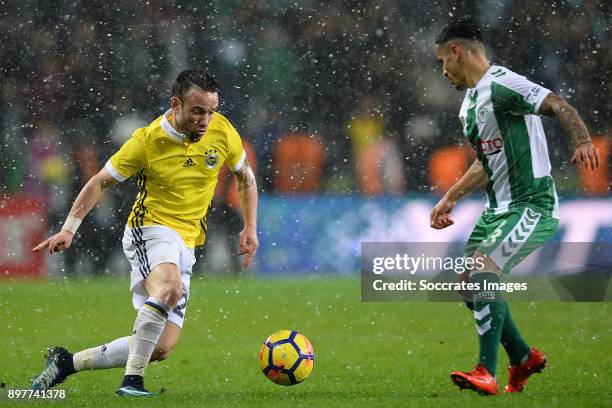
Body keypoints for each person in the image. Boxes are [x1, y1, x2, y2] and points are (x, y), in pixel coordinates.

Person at [30, 69, 259, 397]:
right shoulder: (147, 141)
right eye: (197, 111)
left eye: (211, 111)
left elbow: (245, 177)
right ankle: (132, 382)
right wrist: (69, 229)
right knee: (170, 288)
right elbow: (99, 181)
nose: (205, 120)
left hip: (187, 240)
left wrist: (249, 226)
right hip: (150, 229)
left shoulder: (223, 131)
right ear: (176, 104)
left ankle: (66, 363)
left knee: (161, 348)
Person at [430, 19, 599, 395]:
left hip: (531, 204)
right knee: (469, 288)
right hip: (497, 210)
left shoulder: (504, 83)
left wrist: (583, 139)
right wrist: (452, 195)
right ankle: (523, 357)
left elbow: (557, 104)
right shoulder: (470, 104)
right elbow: (484, 163)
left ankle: (485, 371)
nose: (443, 71)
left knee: (482, 272)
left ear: (458, 51)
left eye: (443, 61)